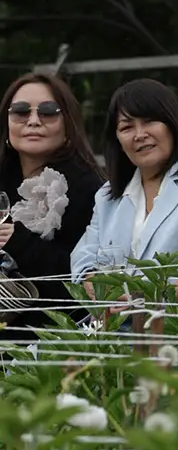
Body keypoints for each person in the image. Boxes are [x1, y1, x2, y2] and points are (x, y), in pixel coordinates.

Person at [72, 78, 178, 295]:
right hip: (116, 315)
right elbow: (85, 257)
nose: (140, 134)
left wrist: (142, 298)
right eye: (126, 127)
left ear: (173, 123)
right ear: (117, 141)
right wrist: (100, 290)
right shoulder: (108, 195)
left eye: (149, 121)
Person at [0, 72, 103, 337]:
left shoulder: (89, 188)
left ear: (68, 124)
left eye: (48, 112)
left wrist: (18, 241)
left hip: (56, 340)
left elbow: (83, 283)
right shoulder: (4, 176)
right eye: (20, 112)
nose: (33, 121)